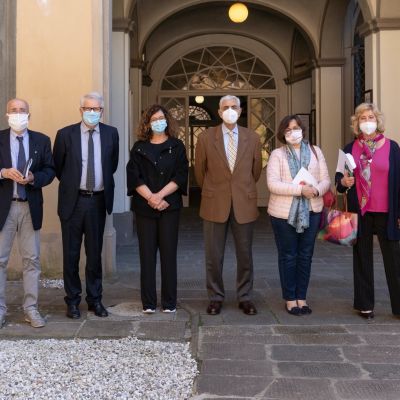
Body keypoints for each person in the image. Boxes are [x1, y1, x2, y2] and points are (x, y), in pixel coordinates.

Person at [194, 95, 262, 315]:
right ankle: (215, 297)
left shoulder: (252, 137)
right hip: (215, 202)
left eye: (234, 107)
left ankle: (245, 297)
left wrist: (241, 188)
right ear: (220, 111)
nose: (230, 110)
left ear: (240, 111)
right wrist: (215, 190)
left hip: (244, 202)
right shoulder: (205, 138)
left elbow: (256, 170)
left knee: (245, 255)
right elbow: (200, 172)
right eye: (226, 107)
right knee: (213, 255)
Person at [53, 92, 119, 319]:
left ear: (102, 111)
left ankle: (95, 300)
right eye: (88, 109)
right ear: (80, 110)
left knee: (94, 255)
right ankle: (72, 301)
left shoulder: (111, 134)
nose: (93, 113)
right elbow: (59, 168)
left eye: (97, 109)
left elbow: (113, 164)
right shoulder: (65, 135)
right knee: (71, 255)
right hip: (73, 201)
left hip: (98, 201)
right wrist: (75, 187)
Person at [336, 103, 400, 320]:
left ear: (378, 120)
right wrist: (344, 181)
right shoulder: (348, 149)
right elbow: (338, 183)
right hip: (360, 211)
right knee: (362, 257)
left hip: (387, 211)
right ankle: (365, 305)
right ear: (357, 123)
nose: (367, 121)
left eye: (370, 117)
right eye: (362, 118)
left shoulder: (392, 147)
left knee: (394, 258)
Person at [126, 105, 188, 313]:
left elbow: (180, 175)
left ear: (168, 121)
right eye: (154, 119)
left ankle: (169, 303)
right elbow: (134, 176)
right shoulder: (139, 147)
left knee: (169, 255)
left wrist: (160, 196)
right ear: (147, 123)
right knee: (147, 256)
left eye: (161, 118)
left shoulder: (177, 146)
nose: (158, 122)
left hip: (169, 207)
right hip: (145, 208)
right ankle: (149, 303)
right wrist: (151, 198)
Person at [267, 115, 330, 315]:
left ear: (302, 129)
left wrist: (317, 191)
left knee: (305, 255)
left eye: (296, 127)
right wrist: (299, 190)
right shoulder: (277, 154)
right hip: (283, 214)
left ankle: (301, 297)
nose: (293, 132)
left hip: (312, 211)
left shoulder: (315, 151)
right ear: (282, 134)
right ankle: (290, 298)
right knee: (288, 255)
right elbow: (273, 184)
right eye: (288, 129)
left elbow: (325, 179)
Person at [0, 98, 55, 328]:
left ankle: (31, 308)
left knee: (31, 260)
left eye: (22, 110)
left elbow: (50, 170)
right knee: (0, 260)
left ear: (29, 115)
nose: (18, 114)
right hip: (4, 208)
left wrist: (34, 178)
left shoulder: (41, 140)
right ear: (7, 114)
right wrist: (3, 172)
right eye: (14, 110)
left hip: (29, 206)